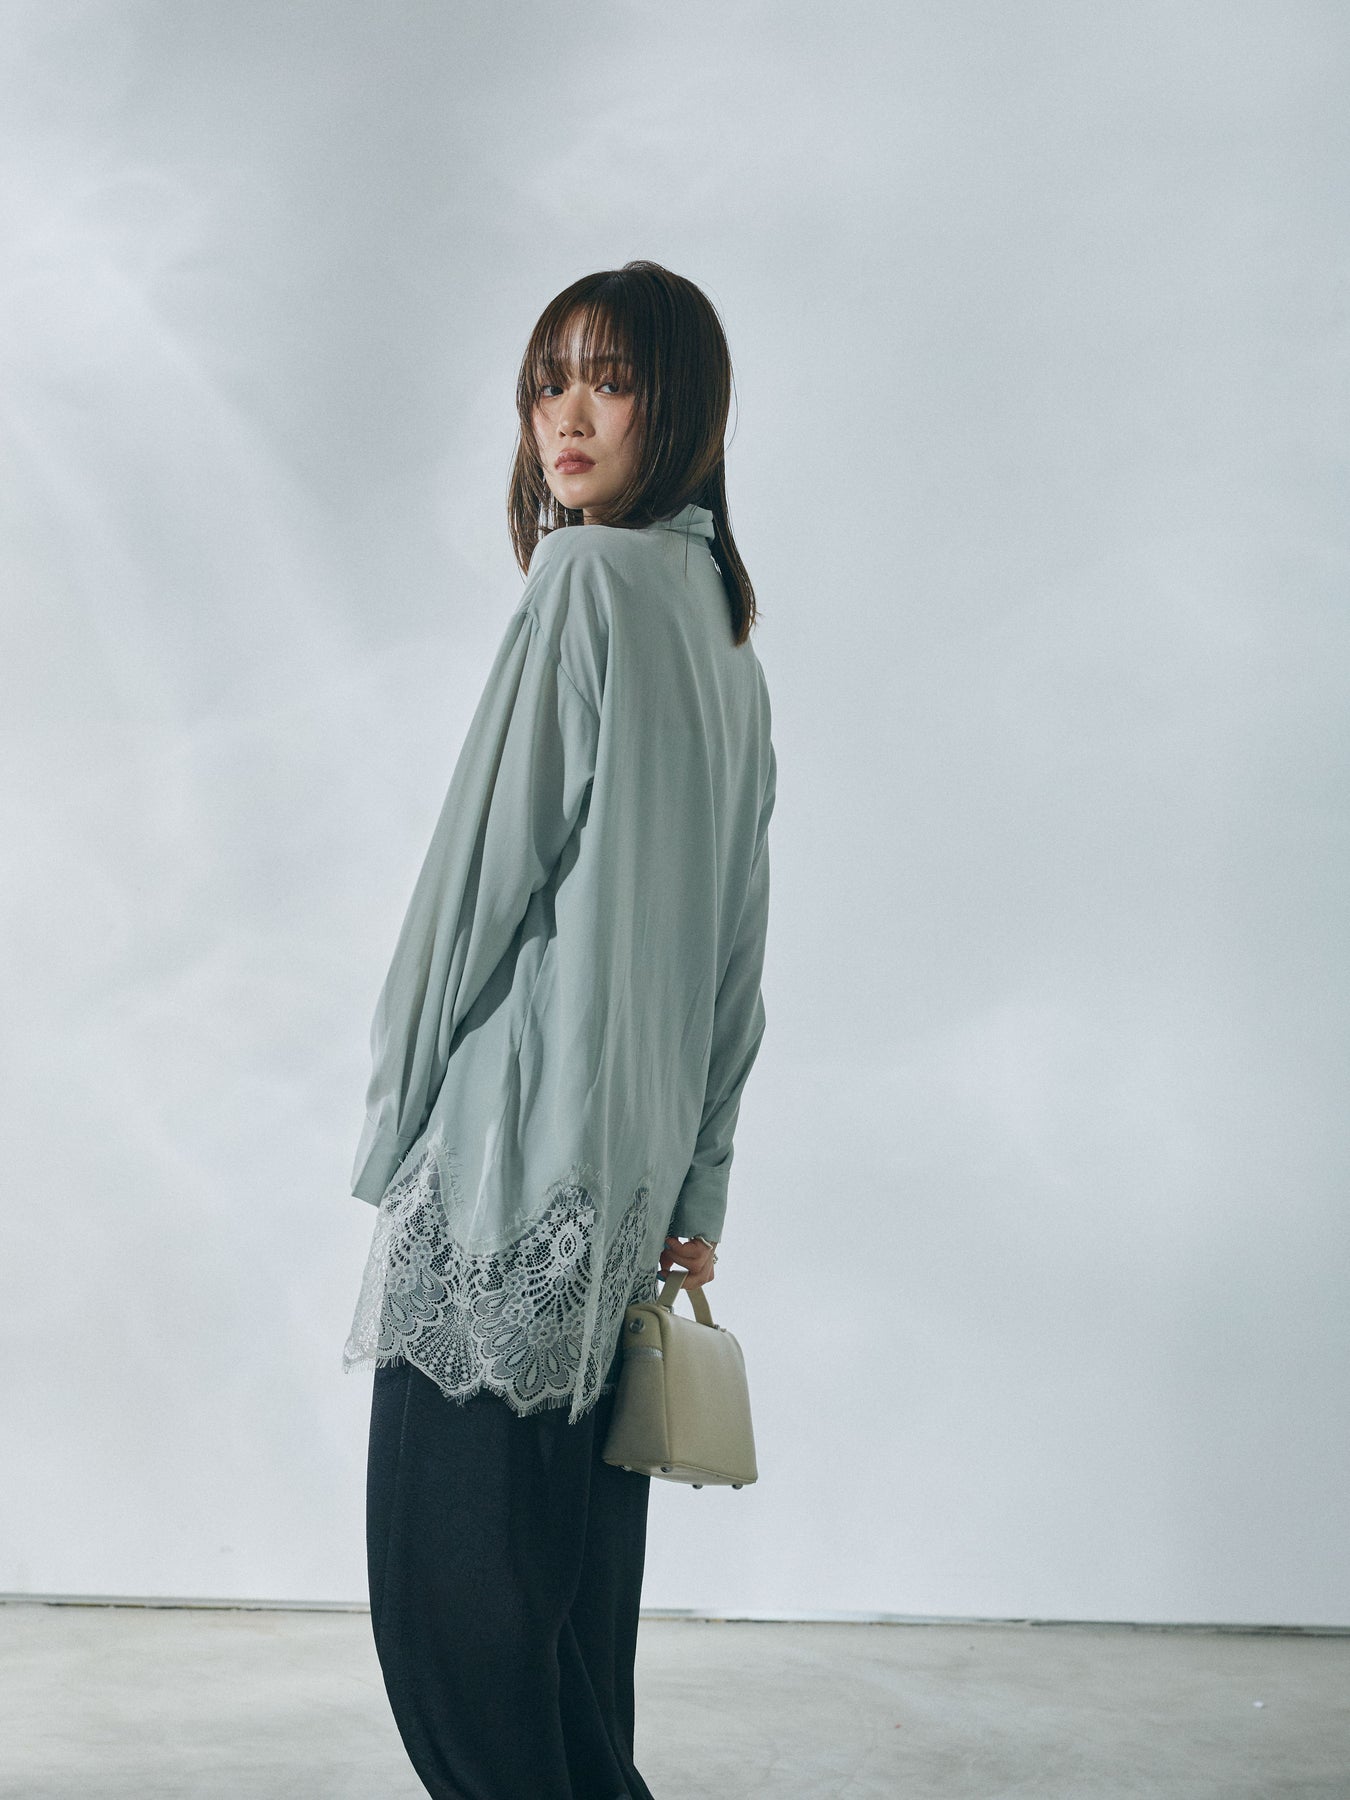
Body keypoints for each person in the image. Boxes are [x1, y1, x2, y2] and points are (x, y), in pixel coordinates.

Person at [342, 260, 777, 1799]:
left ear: (681, 406)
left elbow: (472, 882)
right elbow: (738, 956)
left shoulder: (585, 582)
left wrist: (391, 1121)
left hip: (506, 1166)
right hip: (627, 1193)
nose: (566, 418)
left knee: (455, 1615)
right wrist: (699, 1186)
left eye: (610, 380)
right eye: (547, 383)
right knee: (568, 1623)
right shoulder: (724, 636)